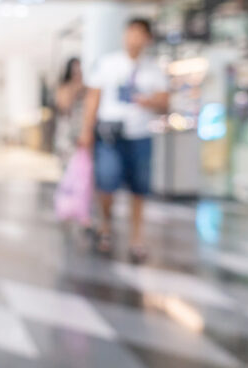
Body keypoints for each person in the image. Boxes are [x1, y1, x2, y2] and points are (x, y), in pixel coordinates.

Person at [78, 18, 168, 262]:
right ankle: (105, 226)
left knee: (140, 188)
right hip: (110, 135)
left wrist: (148, 101)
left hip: (140, 135)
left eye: (139, 34)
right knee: (106, 183)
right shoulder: (108, 64)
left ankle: (137, 238)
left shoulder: (153, 69)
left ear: (147, 38)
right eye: (130, 33)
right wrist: (86, 130)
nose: (133, 38)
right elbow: (93, 98)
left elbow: (164, 102)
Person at [55, 57, 86, 165]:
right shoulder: (64, 87)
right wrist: (75, 88)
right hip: (67, 132)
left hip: (81, 130)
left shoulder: (86, 88)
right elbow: (64, 106)